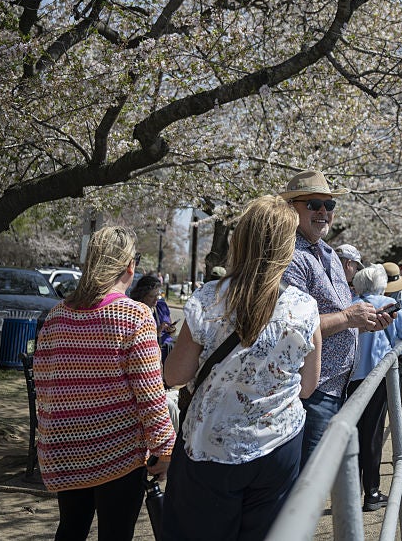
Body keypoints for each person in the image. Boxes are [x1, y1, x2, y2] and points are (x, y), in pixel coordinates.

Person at [161, 195, 322, 541]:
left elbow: (174, 376)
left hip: (212, 449)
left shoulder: (209, 298)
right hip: (278, 446)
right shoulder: (304, 307)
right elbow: (308, 386)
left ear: (241, 240)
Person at [34, 226, 175, 541]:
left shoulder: (56, 315)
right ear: (130, 267)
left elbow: (42, 383)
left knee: (71, 528)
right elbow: (150, 395)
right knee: (115, 534)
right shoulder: (134, 316)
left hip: (66, 447)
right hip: (119, 451)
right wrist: (164, 448)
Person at [277, 170, 395, 468]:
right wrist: (346, 318)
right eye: (314, 204)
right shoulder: (290, 257)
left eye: (329, 206)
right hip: (310, 391)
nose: (323, 212)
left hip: (340, 386)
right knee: (308, 478)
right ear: (293, 209)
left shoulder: (329, 254)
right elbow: (293, 328)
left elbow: (339, 315)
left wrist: (365, 322)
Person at [348, 264, 402, 512]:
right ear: (381, 285)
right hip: (376, 378)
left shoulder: (351, 305)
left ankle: (351, 492)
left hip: (350, 379)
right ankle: (373, 492)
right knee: (373, 435)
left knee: (353, 435)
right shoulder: (387, 305)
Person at [129, 274, 177, 362]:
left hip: (169, 351)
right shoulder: (136, 311)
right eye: (151, 296)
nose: (156, 300)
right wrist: (157, 332)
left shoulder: (161, 306)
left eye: (157, 295)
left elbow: (171, 328)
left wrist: (171, 329)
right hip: (151, 355)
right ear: (142, 295)